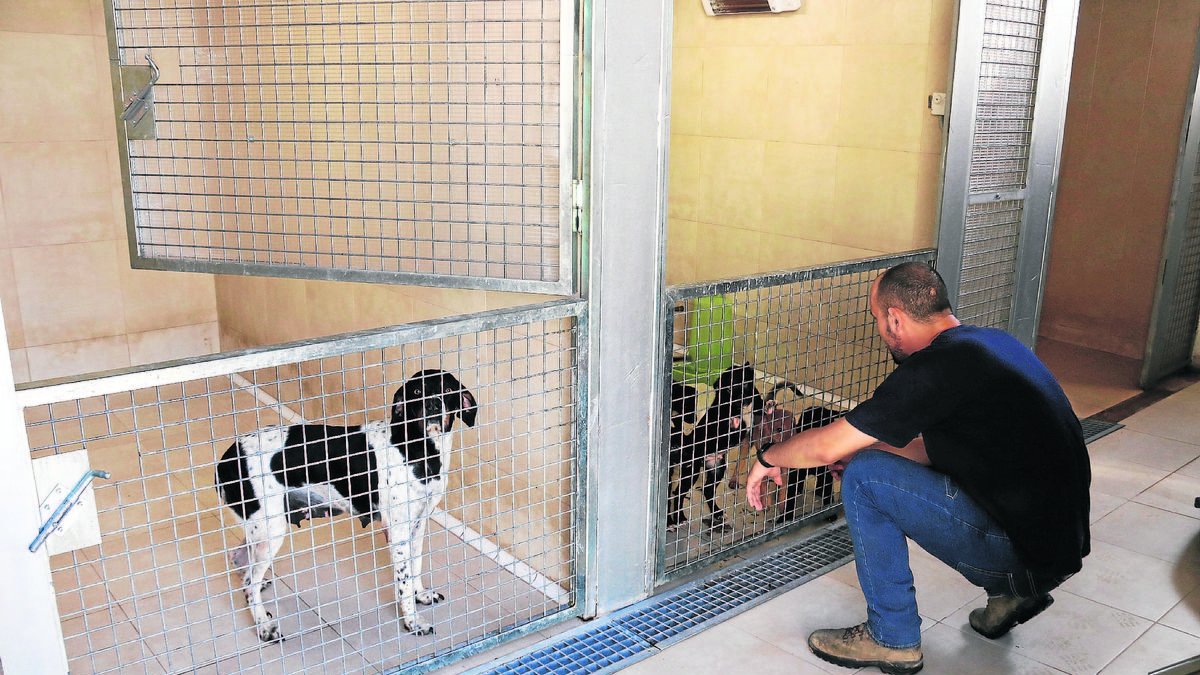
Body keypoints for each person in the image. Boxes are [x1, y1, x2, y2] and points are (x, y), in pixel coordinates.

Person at [745, 261, 1090, 675]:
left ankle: (891, 639)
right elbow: (932, 449)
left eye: (877, 319)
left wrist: (768, 457)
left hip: (1022, 552)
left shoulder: (935, 368)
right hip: (1057, 548)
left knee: (865, 479)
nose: (879, 329)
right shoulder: (991, 345)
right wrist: (858, 454)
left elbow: (823, 447)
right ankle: (1015, 594)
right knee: (868, 463)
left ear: (894, 318)